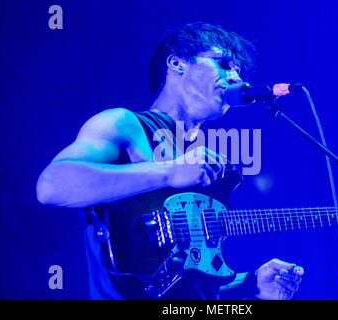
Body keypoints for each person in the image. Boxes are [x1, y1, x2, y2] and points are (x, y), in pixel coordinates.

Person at [36, 22, 304, 300]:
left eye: (238, 70)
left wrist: (248, 285)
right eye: (223, 63)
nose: (236, 77)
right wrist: (168, 172)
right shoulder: (124, 124)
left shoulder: (212, 166)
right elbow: (52, 185)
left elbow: (186, 279)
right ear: (177, 63)